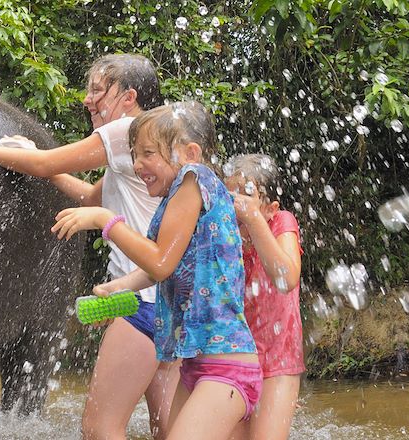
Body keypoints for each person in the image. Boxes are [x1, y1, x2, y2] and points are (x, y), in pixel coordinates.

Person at [0, 54, 180, 439]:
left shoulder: (126, 132)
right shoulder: (149, 149)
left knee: (99, 429)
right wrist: (37, 155)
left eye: (98, 91)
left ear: (129, 97)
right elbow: (87, 196)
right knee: (168, 428)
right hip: (169, 300)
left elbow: (44, 165)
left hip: (141, 302)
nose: (87, 99)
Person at [51, 101, 261, 439]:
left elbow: (161, 263)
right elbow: (163, 266)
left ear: (190, 153)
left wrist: (106, 221)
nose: (137, 164)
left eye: (149, 153)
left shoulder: (195, 179)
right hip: (196, 363)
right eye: (134, 154)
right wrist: (120, 287)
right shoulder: (175, 197)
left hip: (227, 365)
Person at [223, 154, 304, 440]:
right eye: (229, 196)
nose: (237, 208)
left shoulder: (281, 223)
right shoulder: (223, 233)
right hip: (235, 355)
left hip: (278, 358)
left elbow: (287, 277)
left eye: (246, 197)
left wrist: (254, 220)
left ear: (270, 208)